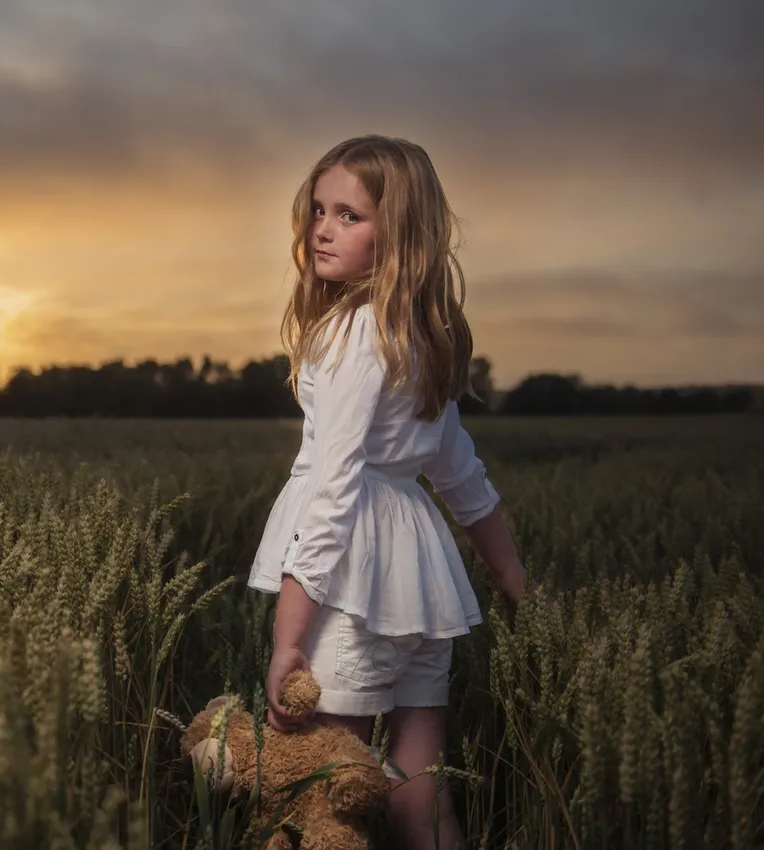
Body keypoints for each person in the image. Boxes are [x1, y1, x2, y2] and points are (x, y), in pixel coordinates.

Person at [247, 134, 527, 850]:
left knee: (325, 790)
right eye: (318, 209)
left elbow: (333, 490)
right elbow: (462, 478)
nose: (321, 228)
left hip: (352, 587)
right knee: (418, 785)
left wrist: (288, 640)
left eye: (350, 215)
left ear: (400, 234)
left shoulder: (349, 331)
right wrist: (516, 583)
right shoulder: (420, 337)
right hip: (424, 588)